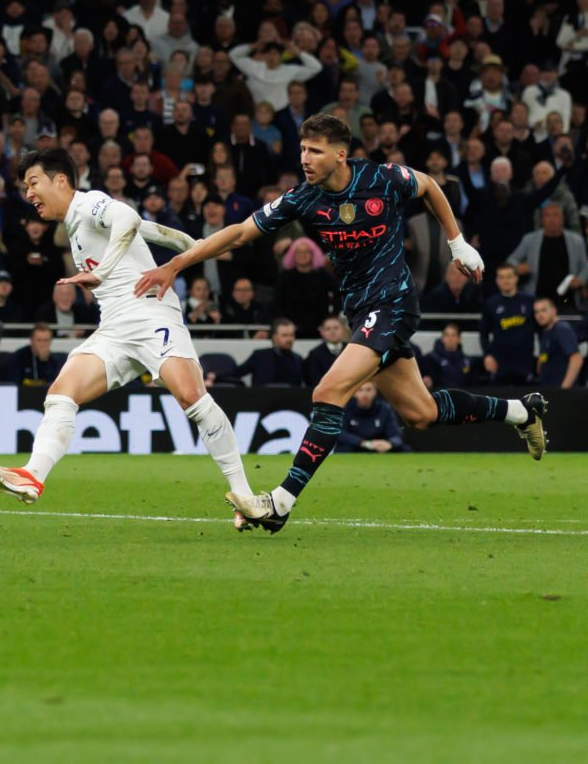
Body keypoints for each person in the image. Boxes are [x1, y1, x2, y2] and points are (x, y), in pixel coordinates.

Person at [135, 113, 547, 533]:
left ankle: (280, 501)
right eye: (302, 149)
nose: (305, 158)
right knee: (420, 412)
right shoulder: (302, 197)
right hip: (361, 311)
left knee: (328, 390)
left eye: (314, 150)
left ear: (340, 154)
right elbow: (241, 233)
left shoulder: (382, 178)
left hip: (393, 303)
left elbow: (429, 185)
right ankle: (521, 411)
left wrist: (457, 242)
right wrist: (177, 263)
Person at [0, 147, 252, 511]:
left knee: (191, 396)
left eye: (33, 183)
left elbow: (126, 216)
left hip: (150, 314)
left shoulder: (89, 202)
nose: (28, 194)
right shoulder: (75, 224)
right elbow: (145, 227)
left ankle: (246, 495)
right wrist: (191, 246)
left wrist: (102, 271)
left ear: (60, 181)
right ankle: (33, 475)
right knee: (62, 392)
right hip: (115, 327)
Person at [338, 382, 408, 453]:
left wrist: (389, 444)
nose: (364, 394)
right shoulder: (345, 408)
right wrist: (363, 443)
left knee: (404, 449)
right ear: (354, 392)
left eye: (368, 390)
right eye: (360, 390)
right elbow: (340, 434)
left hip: (379, 450)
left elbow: (396, 435)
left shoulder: (384, 409)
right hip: (353, 449)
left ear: (375, 391)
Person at [0, 322, 68, 388]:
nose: (43, 344)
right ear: (31, 341)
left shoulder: (55, 361)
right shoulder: (19, 357)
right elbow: (13, 384)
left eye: (46, 340)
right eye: (39, 340)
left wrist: (44, 362)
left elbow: (54, 385)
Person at [532, 297, 582, 388]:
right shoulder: (546, 332)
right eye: (536, 312)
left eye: (543, 310)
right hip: (550, 390)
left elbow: (576, 359)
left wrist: (564, 389)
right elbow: (542, 361)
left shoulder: (561, 329)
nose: (539, 315)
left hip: (561, 393)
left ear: (554, 310)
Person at [243, 319, 305, 386]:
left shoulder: (298, 359)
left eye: (291, 335)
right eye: (284, 335)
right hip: (263, 395)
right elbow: (237, 374)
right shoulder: (259, 356)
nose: (289, 339)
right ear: (274, 337)